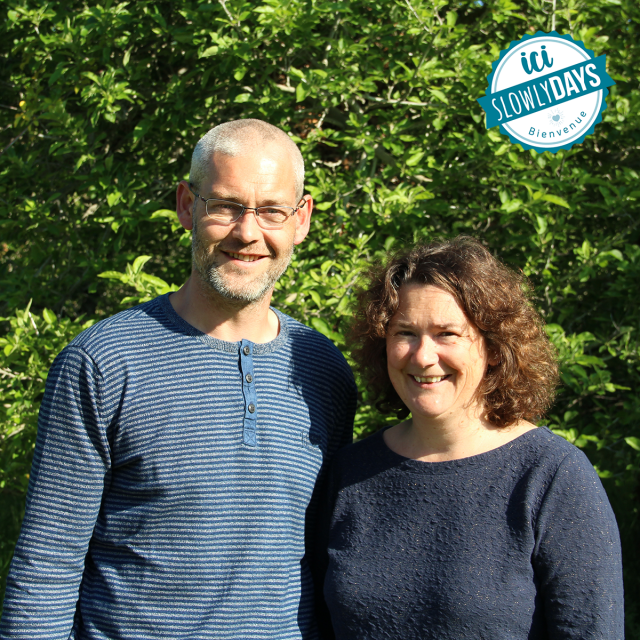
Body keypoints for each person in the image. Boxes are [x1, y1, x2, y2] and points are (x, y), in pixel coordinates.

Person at [0, 119, 357, 640]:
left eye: (271, 211)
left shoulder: (322, 371)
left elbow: (327, 562)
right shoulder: (103, 363)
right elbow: (46, 567)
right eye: (227, 206)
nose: (248, 232)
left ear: (301, 220)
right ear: (188, 206)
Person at [321, 237, 623, 639]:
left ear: (494, 348)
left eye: (447, 333)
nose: (424, 356)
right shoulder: (351, 473)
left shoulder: (552, 477)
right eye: (405, 333)